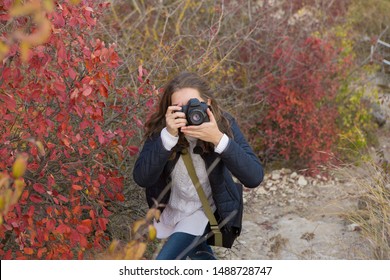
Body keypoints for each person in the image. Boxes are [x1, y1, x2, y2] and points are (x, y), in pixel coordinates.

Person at [133, 72, 264, 260]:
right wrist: (168, 138)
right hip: (172, 211)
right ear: (169, 109)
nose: (188, 112)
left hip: (203, 210)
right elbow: (142, 178)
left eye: (193, 105)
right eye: (180, 107)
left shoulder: (223, 124)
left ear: (208, 103)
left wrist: (219, 140)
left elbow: (254, 177)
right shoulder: (163, 129)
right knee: (201, 257)